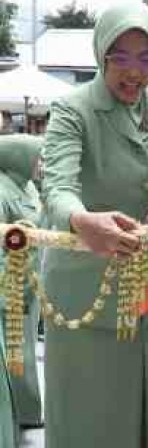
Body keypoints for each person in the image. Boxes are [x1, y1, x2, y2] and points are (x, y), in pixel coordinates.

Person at [41, 3, 148, 448]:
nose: (134, 71)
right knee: (90, 422)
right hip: (85, 301)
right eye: (120, 57)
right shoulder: (72, 110)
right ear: (100, 54)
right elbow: (57, 186)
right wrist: (82, 220)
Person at [0, 135, 44, 434]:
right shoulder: (2, 191)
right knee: (15, 352)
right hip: (10, 286)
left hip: (32, 282)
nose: (40, 164)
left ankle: (28, 411)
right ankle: (17, 415)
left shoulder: (28, 187)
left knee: (27, 350)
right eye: (36, 157)